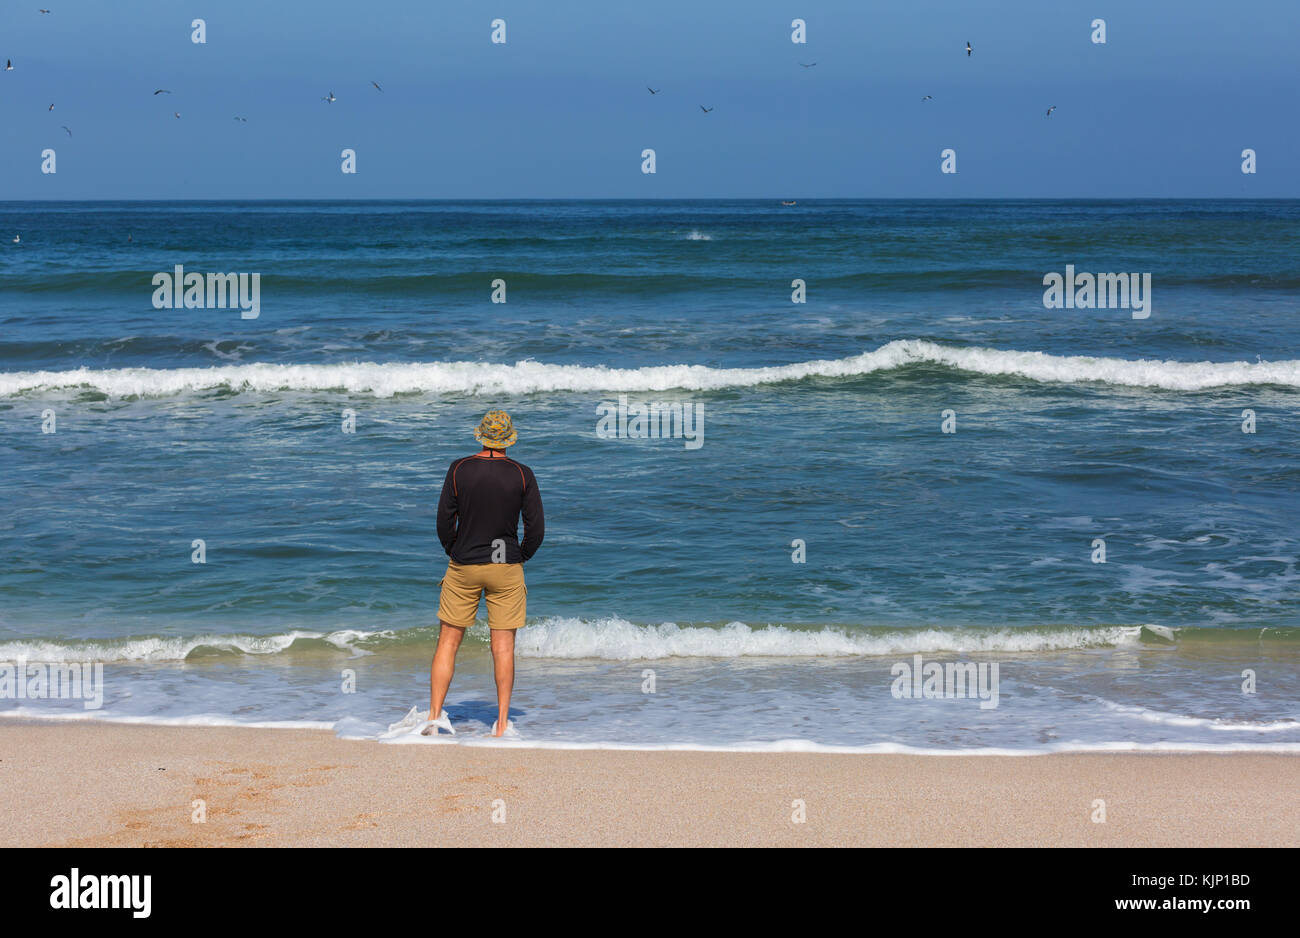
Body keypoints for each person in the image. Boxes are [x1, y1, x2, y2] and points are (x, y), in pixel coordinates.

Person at [424, 410, 544, 737]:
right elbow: (536, 529)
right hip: (505, 565)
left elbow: (443, 523)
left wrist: (456, 550)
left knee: (448, 643)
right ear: (508, 438)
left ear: (481, 436)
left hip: (464, 564)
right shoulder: (522, 474)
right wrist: (519, 557)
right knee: (503, 648)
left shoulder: (459, 469)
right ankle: (502, 723)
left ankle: (434, 718)